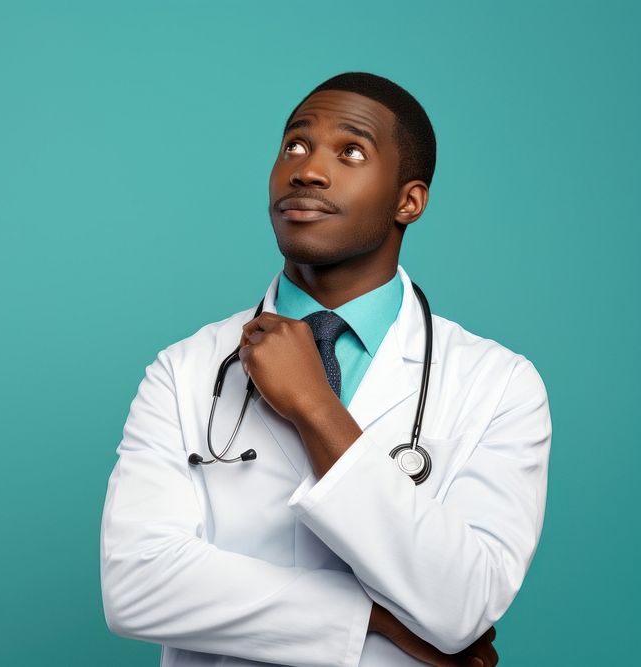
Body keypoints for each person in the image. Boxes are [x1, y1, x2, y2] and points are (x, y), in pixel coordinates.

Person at [99, 71, 550, 667]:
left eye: (351, 151)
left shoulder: (500, 385)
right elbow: (136, 587)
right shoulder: (184, 369)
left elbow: (465, 604)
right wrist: (376, 618)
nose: (306, 169)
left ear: (408, 201)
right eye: (295, 145)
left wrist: (314, 405)